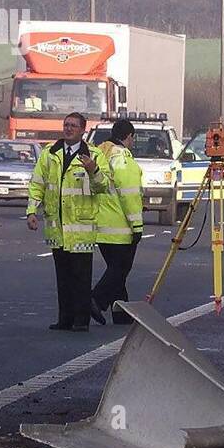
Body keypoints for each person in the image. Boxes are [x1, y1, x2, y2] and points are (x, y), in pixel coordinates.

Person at [26, 112, 110, 332]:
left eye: (73, 126)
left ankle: (81, 320)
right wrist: (31, 211)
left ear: (83, 130)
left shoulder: (94, 154)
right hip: (57, 227)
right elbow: (38, 184)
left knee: (81, 277)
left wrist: (93, 170)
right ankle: (64, 319)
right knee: (62, 278)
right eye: (66, 125)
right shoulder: (49, 154)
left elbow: (104, 186)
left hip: (81, 226)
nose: (68, 129)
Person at [91, 119, 143, 325]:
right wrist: (137, 225)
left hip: (101, 225)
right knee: (120, 269)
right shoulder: (121, 158)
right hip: (120, 226)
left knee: (116, 269)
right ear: (129, 136)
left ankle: (121, 313)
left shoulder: (99, 153)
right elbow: (128, 194)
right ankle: (96, 299)